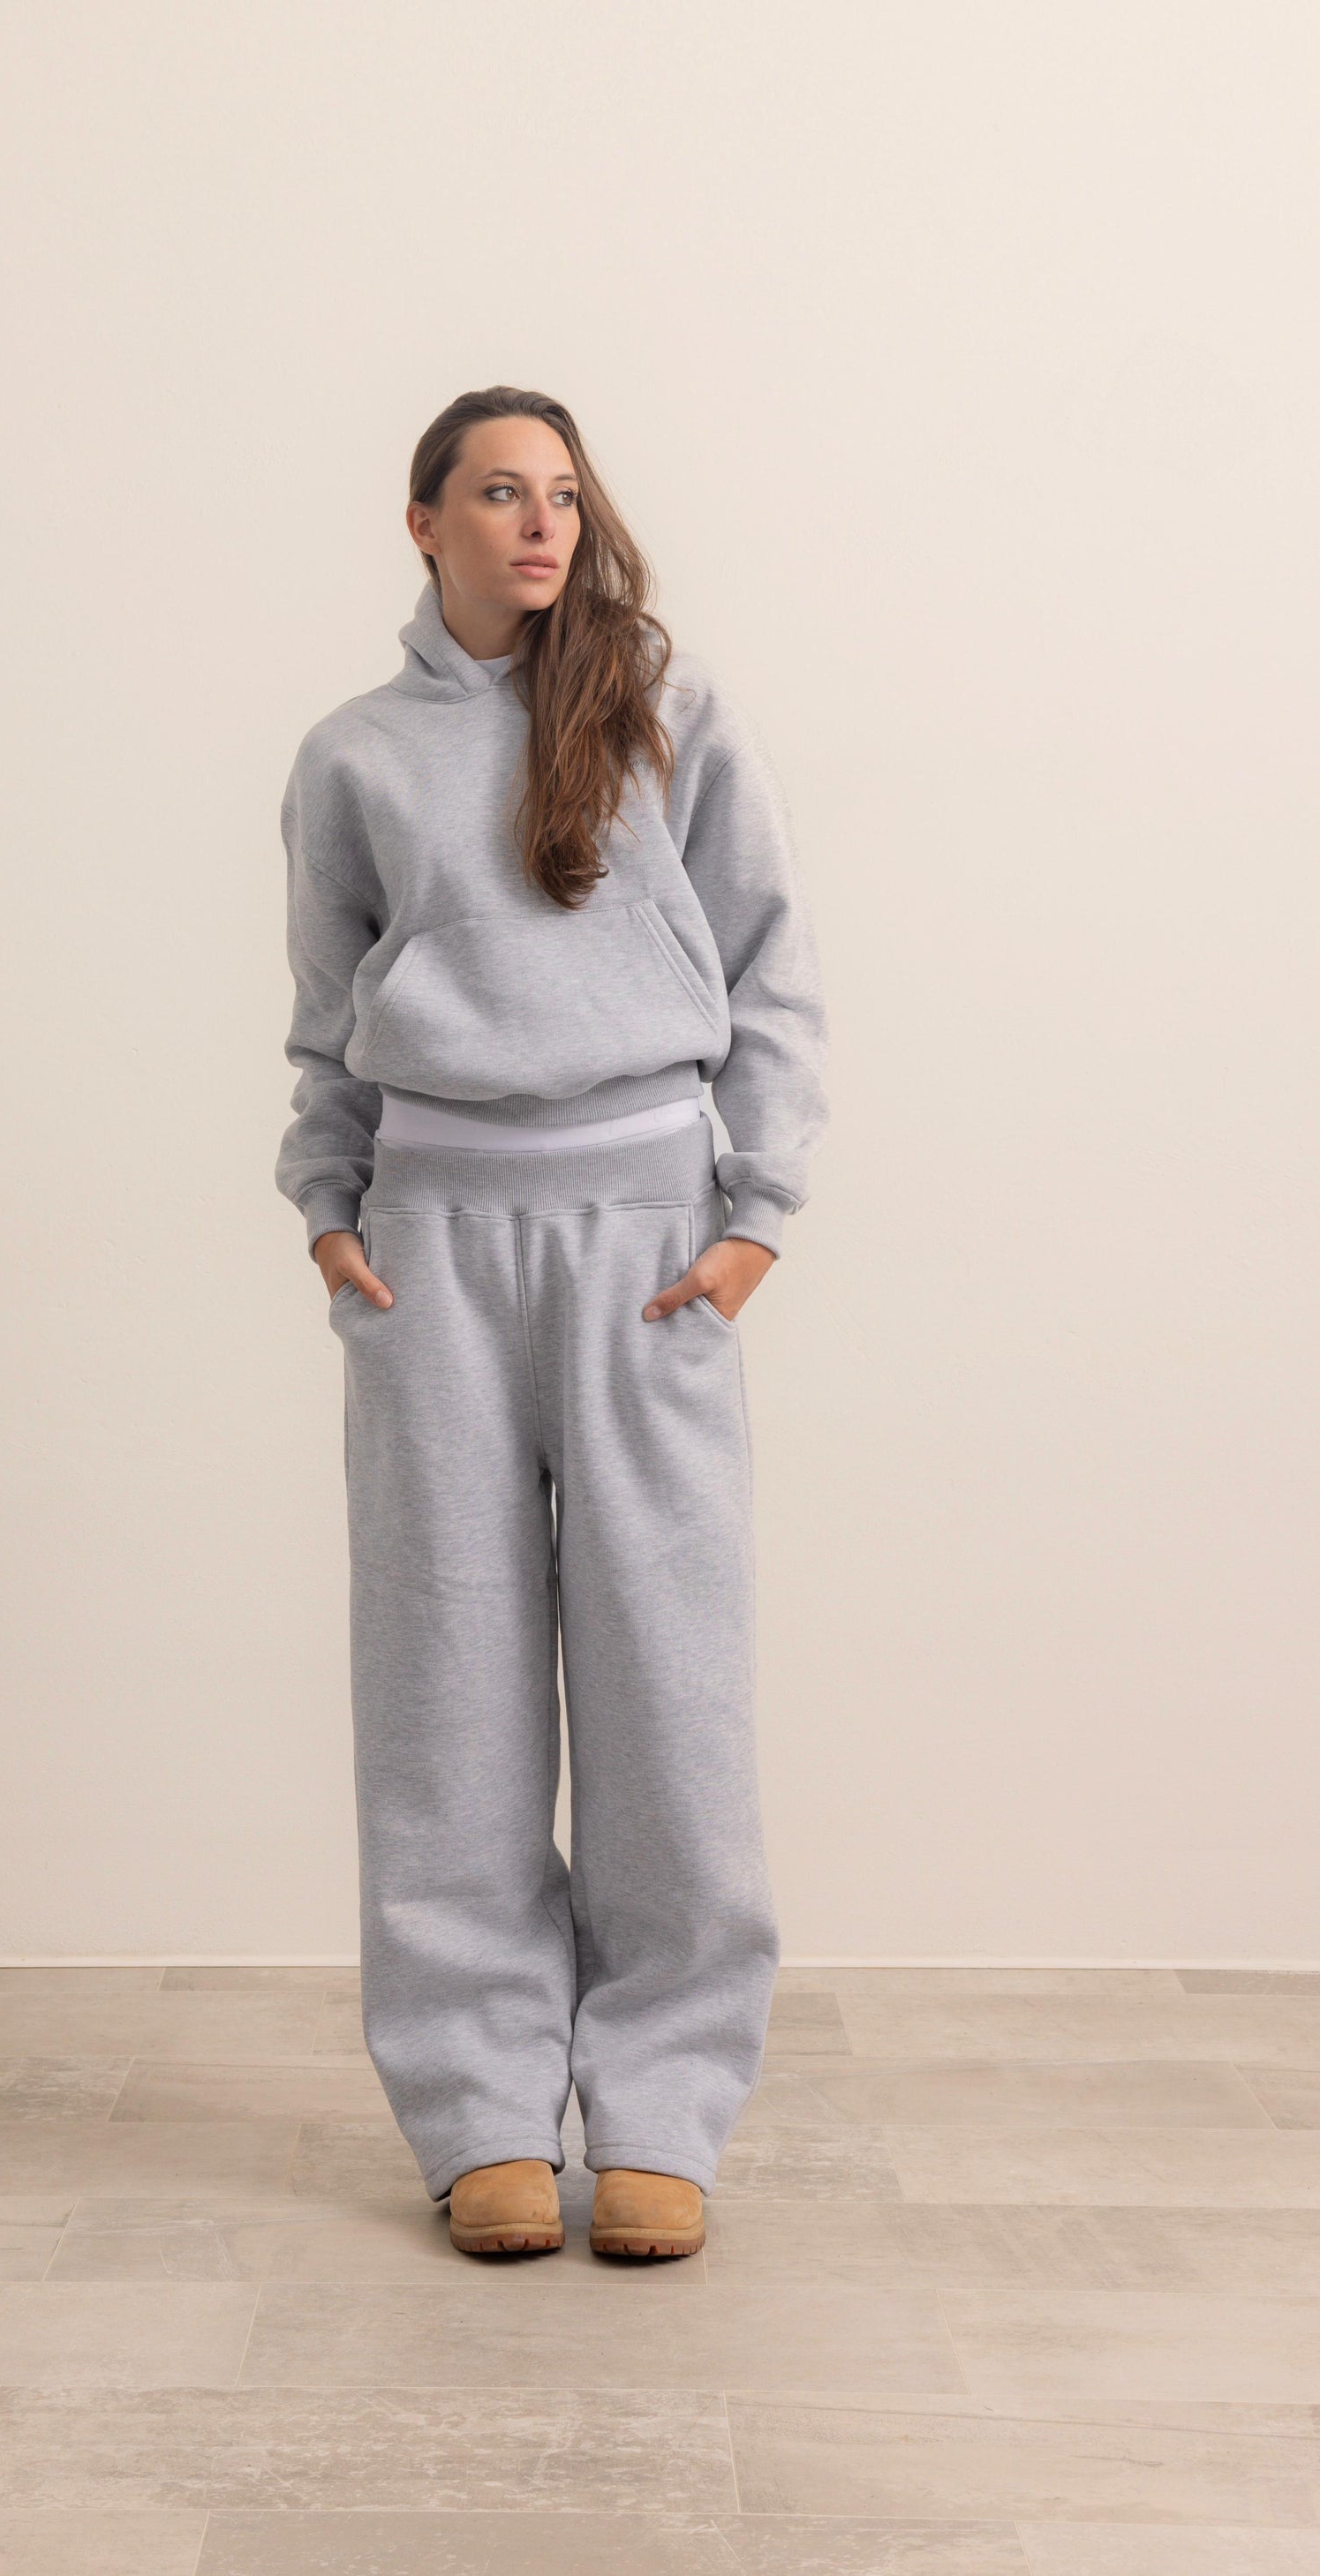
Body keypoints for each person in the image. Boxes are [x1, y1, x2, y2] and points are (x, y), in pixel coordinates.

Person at [275, 385, 830, 2260]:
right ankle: (481, 2108)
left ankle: (663, 2104)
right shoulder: (353, 757)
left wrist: (754, 1218)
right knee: (445, 1688)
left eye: (564, 497)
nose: (539, 525)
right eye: (501, 493)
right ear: (420, 519)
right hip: (430, 1244)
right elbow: (324, 1019)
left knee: (670, 1680)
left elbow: (771, 971)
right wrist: (329, 1214)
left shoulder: (669, 714)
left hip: (648, 1239)